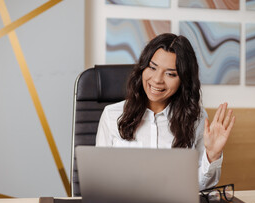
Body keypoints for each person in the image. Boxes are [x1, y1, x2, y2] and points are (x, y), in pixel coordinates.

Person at [96, 33, 235, 190]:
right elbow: (100, 179)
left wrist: (212, 155)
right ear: (143, 67)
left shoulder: (196, 118)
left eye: (170, 74)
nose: (157, 79)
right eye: (152, 67)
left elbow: (197, 186)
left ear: (184, 80)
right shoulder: (111, 115)